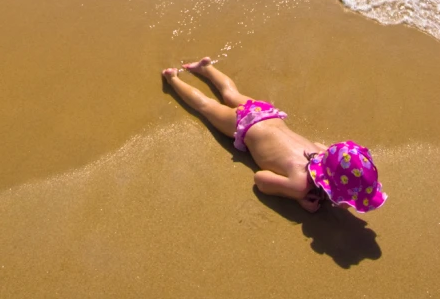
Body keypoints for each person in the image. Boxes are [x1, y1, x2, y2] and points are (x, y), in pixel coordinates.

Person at [162, 57, 387, 214]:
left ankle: (206, 67)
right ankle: (173, 79)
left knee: (232, 93)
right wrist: (296, 196)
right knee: (205, 105)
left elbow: (323, 147)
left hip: (268, 114)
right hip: (245, 126)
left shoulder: (322, 152)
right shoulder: (300, 185)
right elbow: (261, 181)